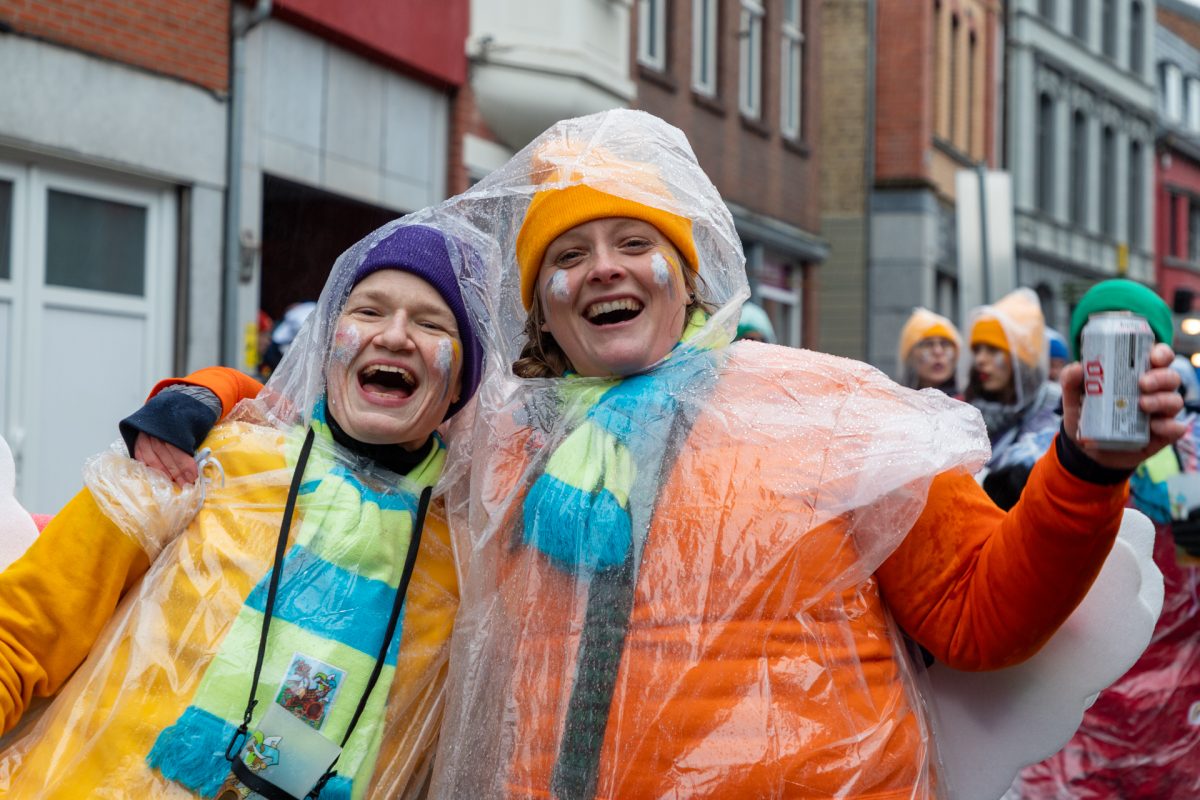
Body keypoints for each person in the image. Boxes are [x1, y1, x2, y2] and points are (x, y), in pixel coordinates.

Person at [423, 110, 1185, 799]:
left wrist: (1086, 467)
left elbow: (976, 611)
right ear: (541, 309)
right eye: (569, 252)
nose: (605, 268)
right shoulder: (503, 460)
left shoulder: (826, 410)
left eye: (634, 242)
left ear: (688, 280)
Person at [0, 218, 488, 799]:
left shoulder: (468, 561)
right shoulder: (198, 459)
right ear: (328, 343)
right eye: (368, 311)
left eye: (431, 323)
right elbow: (23, 631)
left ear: (460, 381)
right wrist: (207, 391)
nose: (395, 336)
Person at [1011, 281, 1200, 799]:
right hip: (1074, 698)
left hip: (1170, 701)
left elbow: (1190, 569)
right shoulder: (1039, 452)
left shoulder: (1185, 457)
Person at [962, 288, 1063, 509]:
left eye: (992, 350)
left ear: (1020, 360)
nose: (980, 359)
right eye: (977, 350)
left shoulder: (1053, 411)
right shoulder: (965, 412)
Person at [897, 307, 961, 393]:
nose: (938, 351)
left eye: (945, 344)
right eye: (928, 344)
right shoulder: (895, 402)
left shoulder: (971, 403)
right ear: (910, 355)